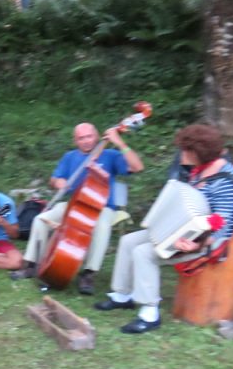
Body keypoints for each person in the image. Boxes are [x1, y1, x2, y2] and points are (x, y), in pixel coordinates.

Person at [99, 124, 233, 334]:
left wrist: (195, 244)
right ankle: (123, 295)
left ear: (197, 153)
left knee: (144, 253)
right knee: (128, 241)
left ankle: (150, 313)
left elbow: (223, 227)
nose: (181, 155)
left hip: (208, 245)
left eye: (185, 151)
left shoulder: (225, 181)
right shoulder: (199, 170)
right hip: (180, 233)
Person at [10, 123, 144, 294]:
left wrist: (120, 143)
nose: (86, 141)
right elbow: (55, 179)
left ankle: (88, 273)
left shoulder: (110, 155)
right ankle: (31, 265)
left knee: (102, 226)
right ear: (75, 141)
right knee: (40, 219)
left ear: (96, 136)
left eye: (89, 136)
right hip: (74, 203)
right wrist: (58, 182)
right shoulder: (70, 157)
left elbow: (138, 167)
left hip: (102, 207)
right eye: (81, 138)